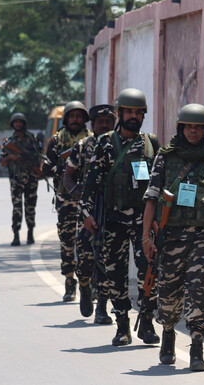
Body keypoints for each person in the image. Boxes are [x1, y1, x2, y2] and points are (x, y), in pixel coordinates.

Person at [142, 103, 204, 370]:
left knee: (198, 289)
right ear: (181, 128)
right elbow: (151, 199)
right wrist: (146, 237)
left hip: (202, 239)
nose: (193, 131)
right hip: (169, 238)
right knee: (168, 293)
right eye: (189, 127)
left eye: (199, 127)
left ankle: (196, 347)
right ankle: (168, 334)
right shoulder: (165, 159)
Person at [81, 88, 160, 346]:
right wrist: (86, 213)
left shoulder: (151, 144)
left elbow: (161, 182)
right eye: (129, 111)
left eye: (139, 112)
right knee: (114, 275)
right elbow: (91, 182)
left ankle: (146, 321)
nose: (134, 116)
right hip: (113, 222)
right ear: (119, 113)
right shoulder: (105, 143)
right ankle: (122, 325)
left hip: (143, 224)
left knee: (148, 271)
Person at [62, 104, 115, 323]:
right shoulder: (83, 146)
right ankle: (84, 285)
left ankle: (102, 306)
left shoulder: (119, 146)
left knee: (107, 259)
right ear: (92, 125)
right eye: (100, 122)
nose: (104, 126)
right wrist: (75, 194)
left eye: (108, 122)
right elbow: (68, 174)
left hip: (112, 211)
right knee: (84, 259)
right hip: (86, 210)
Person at [43, 101, 92, 301]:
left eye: (79, 116)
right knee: (67, 241)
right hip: (65, 198)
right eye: (72, 116)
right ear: (66, 119)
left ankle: (87, 282)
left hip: (87, 199)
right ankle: (69, 281)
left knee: (87, 243)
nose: (75, 120)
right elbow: (46, 168)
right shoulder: (56, 141)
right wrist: (65, 170)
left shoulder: (91, 140)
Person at [0, 112, 42, 246]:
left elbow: (38, 156)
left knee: (30, 206)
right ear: (13, 124)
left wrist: (39, 169)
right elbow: (2, 162)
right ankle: (16, 234)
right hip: (16, 179)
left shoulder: (32, 139)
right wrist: (10, 158)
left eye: (20, 122)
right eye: (16, 122)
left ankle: (30, 232)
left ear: (24, 123)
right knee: (17, 207)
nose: (18, 124)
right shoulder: (8, 142)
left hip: (31, 178)